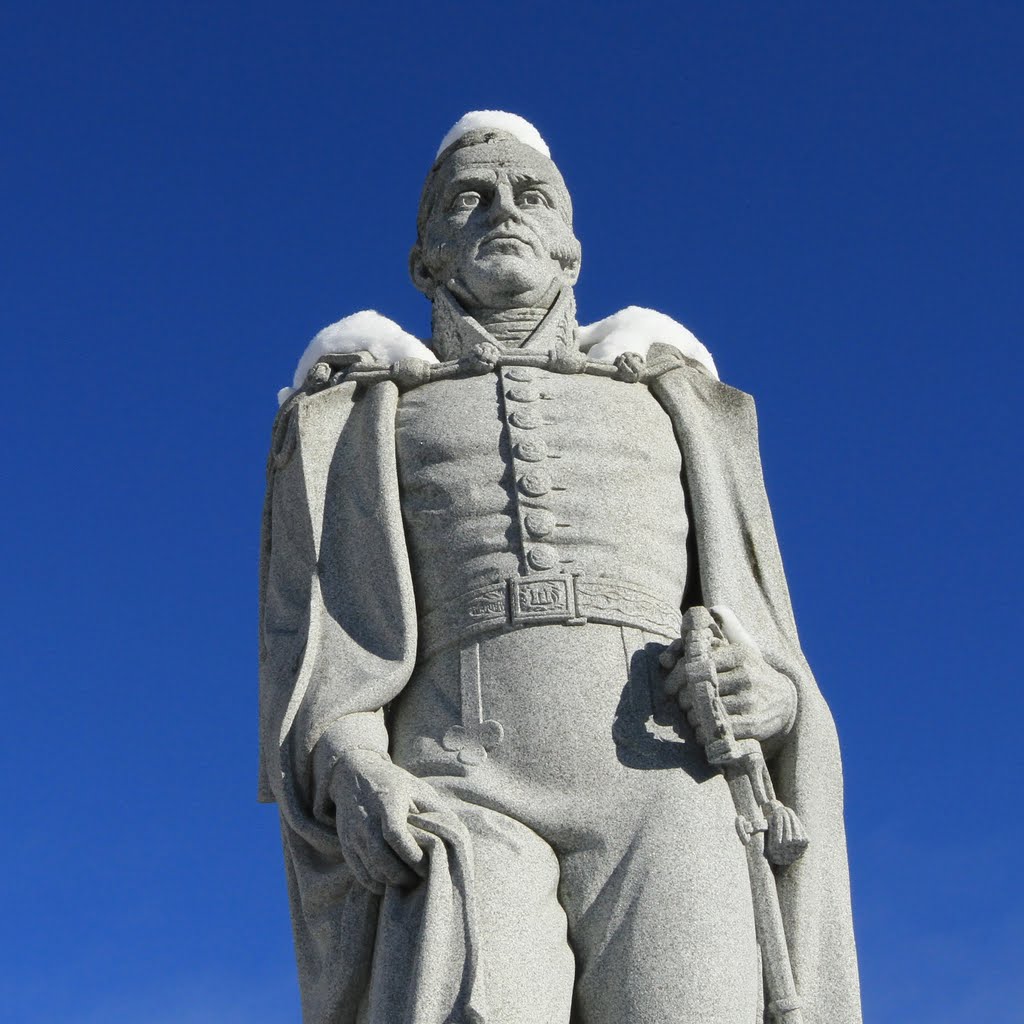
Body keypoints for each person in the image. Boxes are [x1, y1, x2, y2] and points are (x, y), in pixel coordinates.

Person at [259, 111, 861, 1024]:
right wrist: (352, 763)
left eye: (530, 193)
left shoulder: (675, 403)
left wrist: (767, 697)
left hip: (668, 785)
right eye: (470, 197)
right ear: (426, 258)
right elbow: (316, 646)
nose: (503, 208)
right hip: (460, 781)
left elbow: (765, 634)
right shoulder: (357, 417)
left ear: (569, 248)